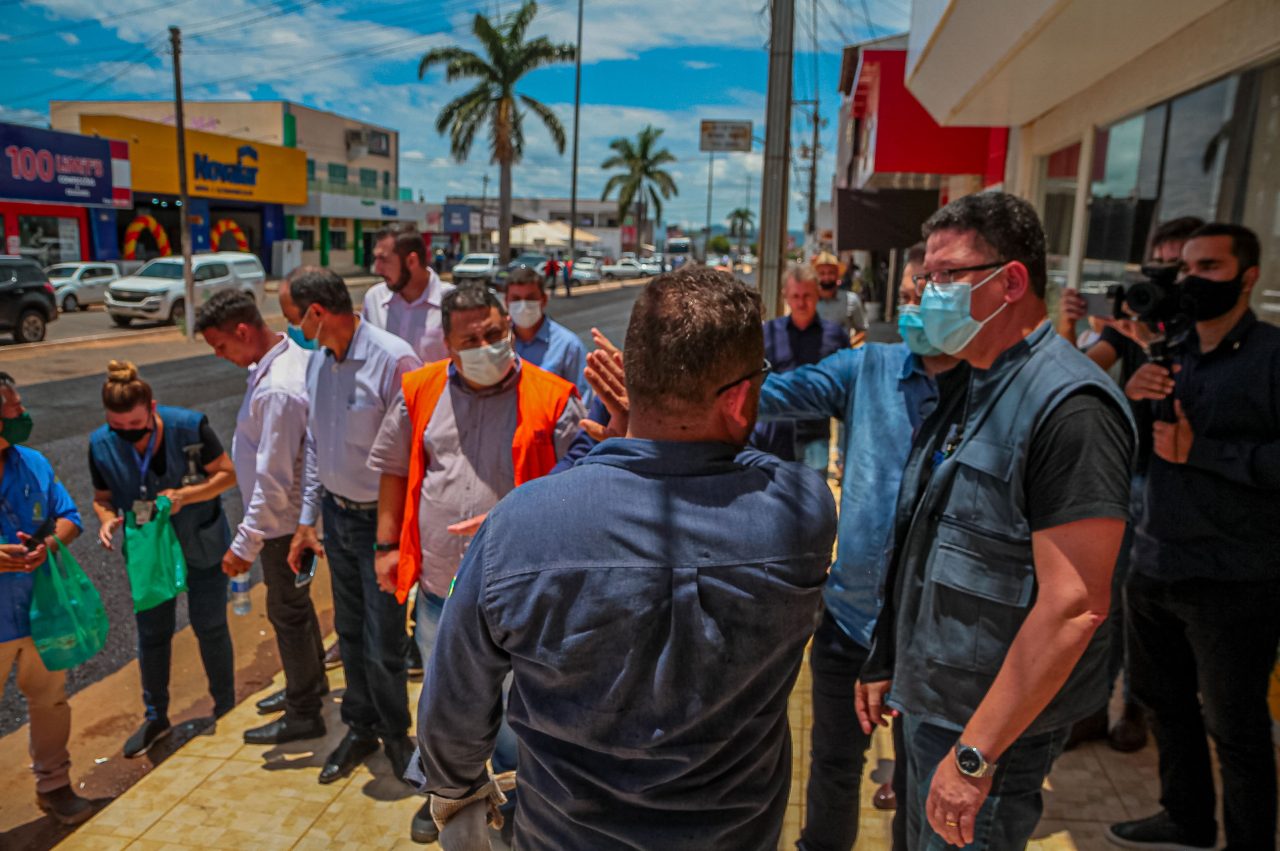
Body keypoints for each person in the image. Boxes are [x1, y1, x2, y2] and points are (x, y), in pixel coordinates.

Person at [412, 268, 836, 848]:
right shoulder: (801, 514)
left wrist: (457, 788)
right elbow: (759, 465)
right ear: (741, 399)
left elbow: (451, 708)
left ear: (631, 379)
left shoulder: (519, 525)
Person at [858, 191, 1135, 850]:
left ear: (1010, 282)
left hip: (986, 735)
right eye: (926, 276)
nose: (928, 293)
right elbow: (927, 545)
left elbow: (1074, 607)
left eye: (947, 276)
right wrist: (888, 657)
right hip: (931, 703)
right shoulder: (972, 381)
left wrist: (974, 756)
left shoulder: (1072, 409)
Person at [753, 245, 959, 851]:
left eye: (926, 295)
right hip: (852, 621)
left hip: (935, 635)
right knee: (834, 766)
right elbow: (780, 394)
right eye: (909, 295)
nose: (912, 307)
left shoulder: (991, 391)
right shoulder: (870, 368)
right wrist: (699, 379)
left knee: (922, 782)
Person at [368, 282, 584, 843]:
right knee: (444, 701)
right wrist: (386, 547)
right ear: (447, 344)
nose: (488, 345)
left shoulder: (553, 396)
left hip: (522, 593)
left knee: (516, 707)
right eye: (472, 339)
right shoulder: (419, 390)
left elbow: (583, 481)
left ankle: (515, 797)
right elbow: (394, 468)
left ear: (509, 327)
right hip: (440, 587)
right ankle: (444, 791)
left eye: (495, 332)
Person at [1107, 224, 1280, 851]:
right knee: (1163, 702)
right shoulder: (1170, 348)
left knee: (1235, 727)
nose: (1192, 280)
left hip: (1233, 577)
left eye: (1210, 267)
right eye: (1186, 268)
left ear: (1247, 276)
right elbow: (1138, 448)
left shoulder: (1271, 356)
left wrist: (1201, 452)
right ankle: (1186, 819)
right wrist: (1131, 395)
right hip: (1156, 561)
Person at [1055, 215, 1203, 755]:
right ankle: (1094, 709)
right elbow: (1077, 374)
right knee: (1106, 603)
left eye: (1175, 269)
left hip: (1181, 487)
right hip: (1127, 477)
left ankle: (1137, 710)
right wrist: (1070, 324)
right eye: (1155, 267)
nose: (1162, 281)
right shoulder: (1135, 319)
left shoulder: (1205, 332)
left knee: (1151, 608)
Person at [279, 266, 423, 786]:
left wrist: (393, 539)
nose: (291, 329)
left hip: (380, 527)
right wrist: (307, 521)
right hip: (337, 518)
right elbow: (317, 448)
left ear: (317, 312)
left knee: (385, 640)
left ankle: (396, 734)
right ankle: (360, 727)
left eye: (293, 318)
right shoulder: (319, 363)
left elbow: (413, 454)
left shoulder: (393, 359)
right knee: (350, 631)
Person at [195, 290, 328, 745]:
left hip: (283, 526)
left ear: (243, 331)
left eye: (221, 345)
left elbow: (273, 480)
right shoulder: (284, 361)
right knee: (296, 606)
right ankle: (309, 683)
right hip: (289, 520)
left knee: (286, 612)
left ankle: (304, 711)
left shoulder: (278, 389)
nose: (219, 356)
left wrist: (245, 544)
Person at [89, 361, 238, 758]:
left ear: (152, 408)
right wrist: (106, 520)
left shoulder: (189, 427)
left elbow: (227, 474)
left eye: (136, 425)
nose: (128, 434)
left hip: (200, 540)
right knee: (152, 633)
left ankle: (226, 704)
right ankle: (156, 716)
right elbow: (102, 499)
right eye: (118, 427)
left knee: (210, 624)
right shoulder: (100, 445)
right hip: (148, 551)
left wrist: (185, 496)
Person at [0, 373, 92, 825]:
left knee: (51, 700)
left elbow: (69, 516)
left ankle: (54, 785)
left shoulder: (33, 463)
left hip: (42, 614)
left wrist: (50, 544)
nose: (23, 413)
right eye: (14, 408)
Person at [750, 262, 849, 473]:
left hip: (816, 436)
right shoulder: (768, 334)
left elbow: (847, 394)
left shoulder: (835, 336)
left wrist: (844, 446)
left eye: (807, 296)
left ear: (818, 294)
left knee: (814, 491)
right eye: (795, 296)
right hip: (773, 438)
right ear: (785, 296)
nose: (801, 303)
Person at [362, 225, 453, 363]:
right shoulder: (374, 299)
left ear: (411, 261)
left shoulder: (453, 302)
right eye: (376, 259)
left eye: (384, 260)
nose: (377, 269)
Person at [504, 266, 589, 396]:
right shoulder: (499, 345)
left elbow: (582, 398)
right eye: (516, 299)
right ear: (506, 302)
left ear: (543, 300)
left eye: (530, 298)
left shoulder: (568, 346)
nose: (523, 306)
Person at [813, 250, 867, 343]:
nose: (826, 277)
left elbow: (862, 331)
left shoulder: (851, 300)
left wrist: (849, 346)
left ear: (838, 275)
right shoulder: (808, 301)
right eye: (822, 273)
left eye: (831, 273)